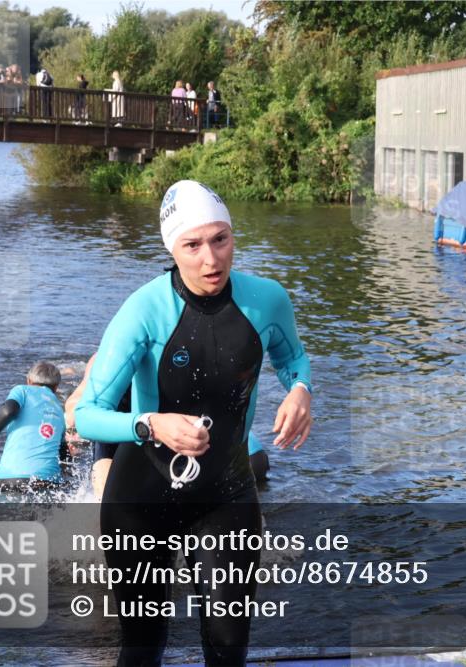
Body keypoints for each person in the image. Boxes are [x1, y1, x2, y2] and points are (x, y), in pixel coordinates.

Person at [75, 179, 312, 666]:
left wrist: (300, 390)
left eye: (220, 239)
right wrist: (149, 424)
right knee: (143, 648)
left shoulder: (267, 300)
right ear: (172, 248)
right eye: (193, 245)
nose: (211, 259)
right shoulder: (143, 310)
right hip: (141, 499)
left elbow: (293, 358)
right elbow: (87, 414)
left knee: (228, 649)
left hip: (226, 496)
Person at [66, 352, 272, 500]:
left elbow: (77, 406)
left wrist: (73, 427)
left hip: (147, 433)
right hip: (250, 456)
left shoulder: (105, 359)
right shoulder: (174, 353)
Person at [0, 362, 72, 489]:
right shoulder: (59, 408)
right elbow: (64, 452)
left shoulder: (22, 390)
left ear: (29, 381)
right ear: (56, 387)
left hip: (9, 478)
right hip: (48, 481)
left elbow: (8, 410)